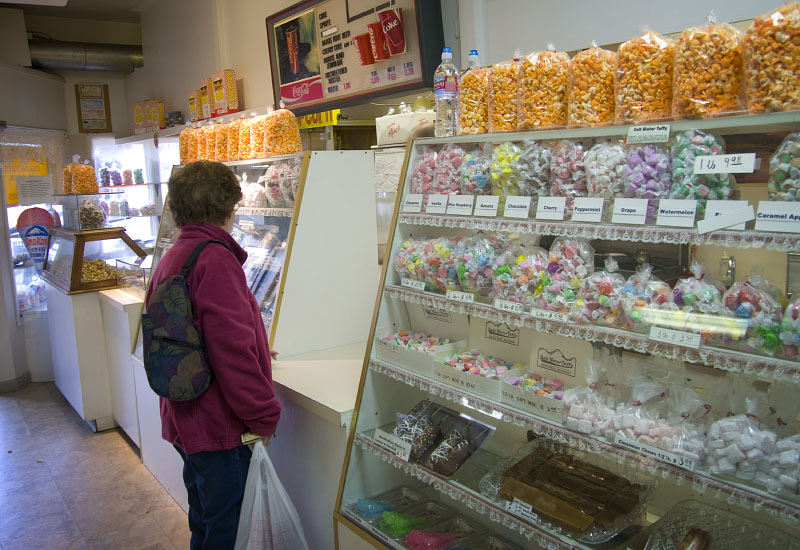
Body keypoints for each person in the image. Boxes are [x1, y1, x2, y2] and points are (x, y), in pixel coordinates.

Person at [145, 160, 281, 549]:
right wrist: (264, 415)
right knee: (229, 530)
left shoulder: (177, 252)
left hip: (183, 416)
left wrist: (255, 342)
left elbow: (198, 331)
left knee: (205, 520)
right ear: (227, 207)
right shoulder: (215, 258)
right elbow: (231, 353)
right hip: (218, 425)